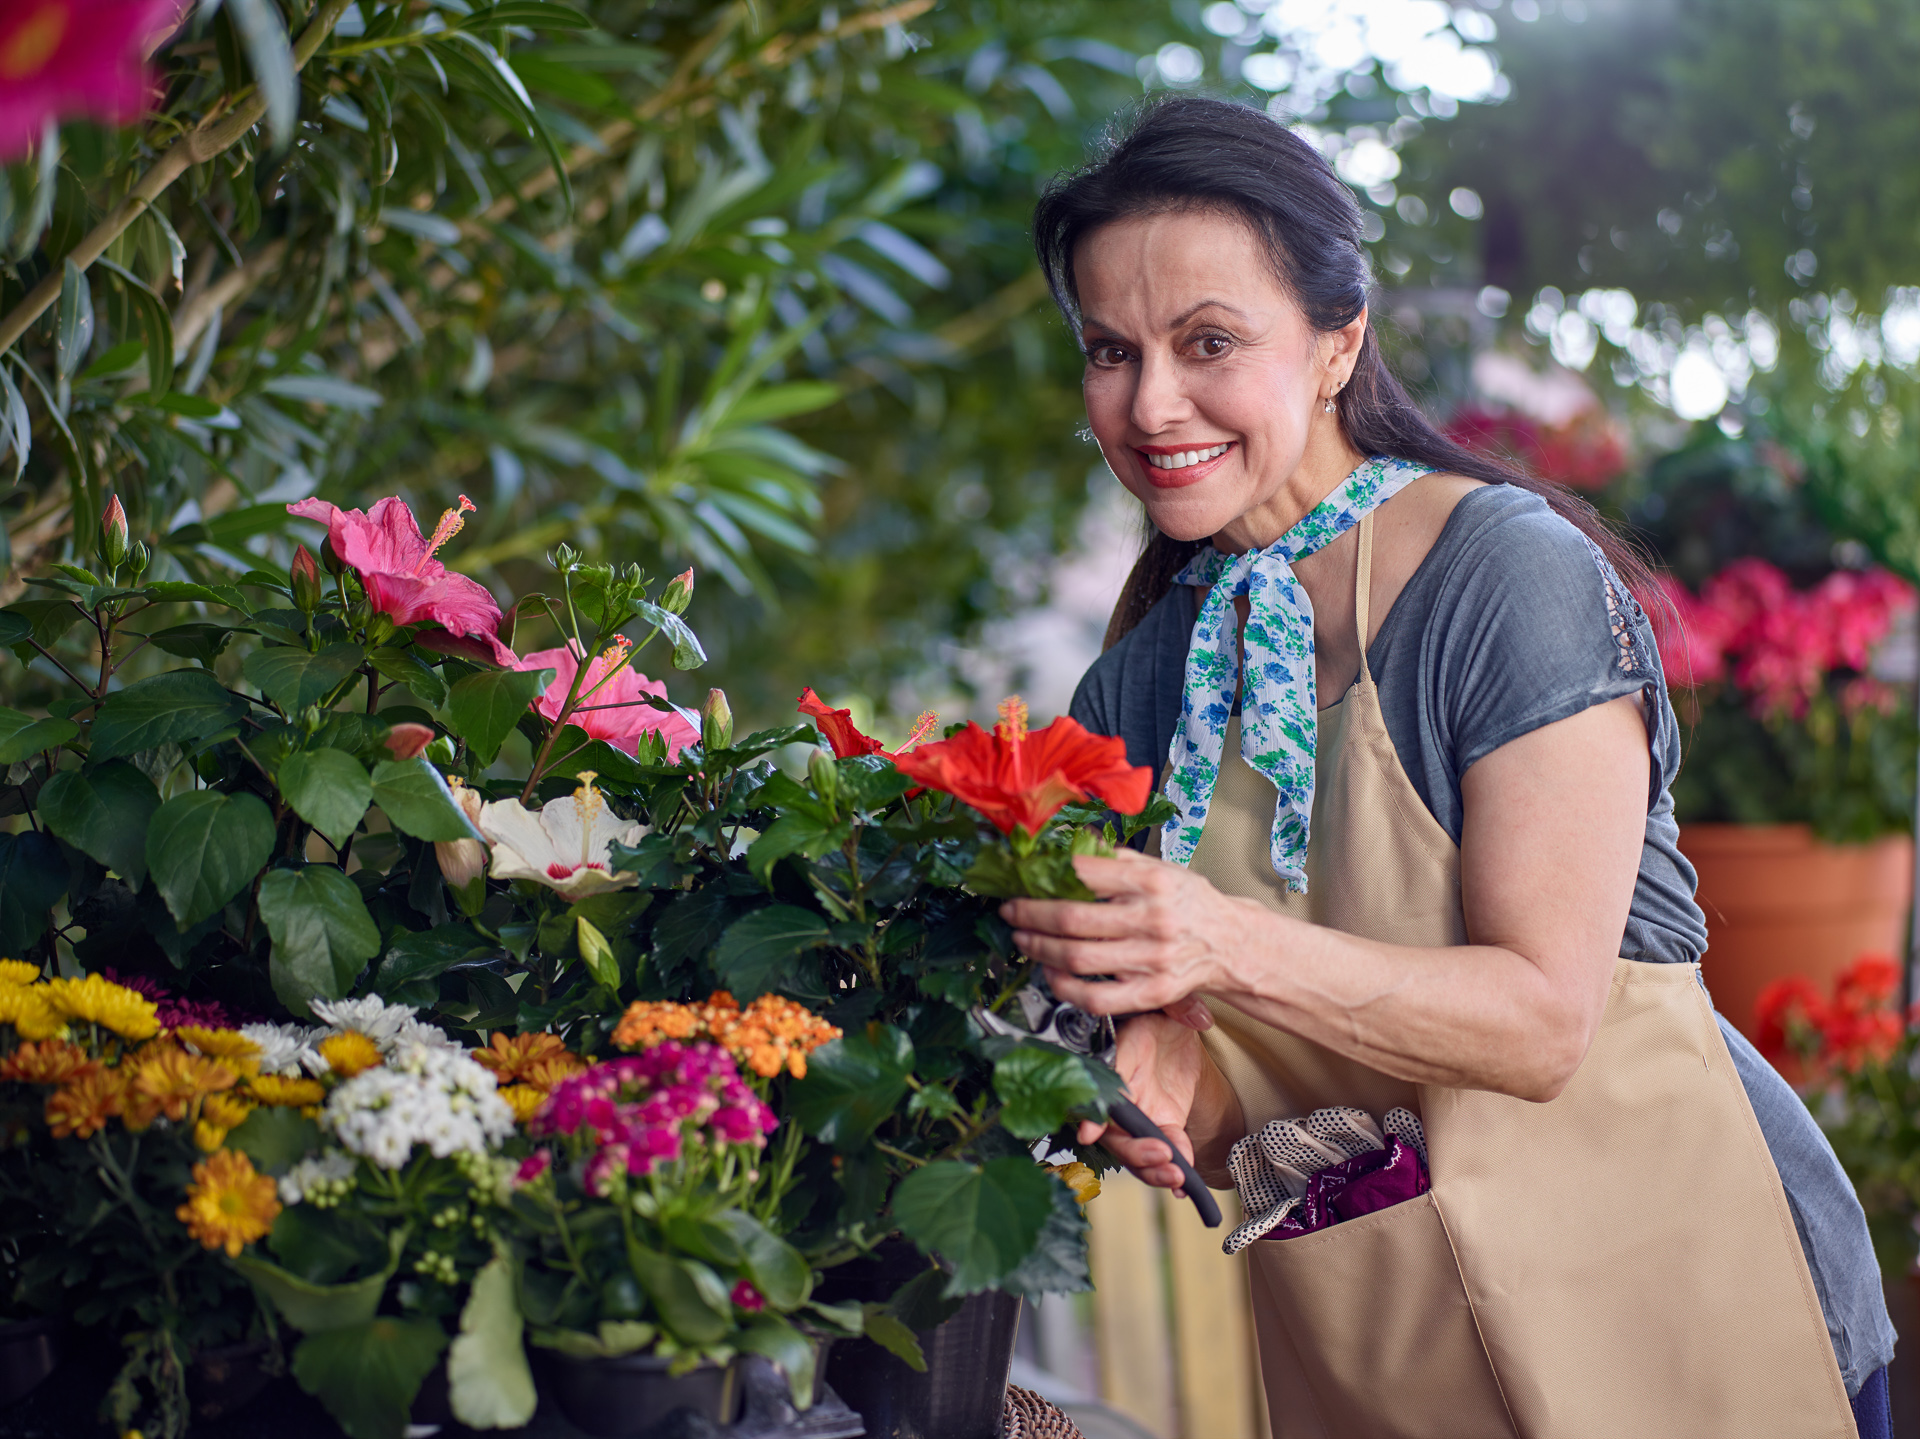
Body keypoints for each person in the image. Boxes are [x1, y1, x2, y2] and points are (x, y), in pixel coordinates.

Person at [1005, 95, 1894, 1438]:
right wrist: (1160, 1080)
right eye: (1109, 351)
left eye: (1208, 343)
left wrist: (1214, 945)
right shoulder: (1136, 681)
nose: (1149, 401)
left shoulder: (1502, 577)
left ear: (1335, 344)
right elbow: (1241, 1055)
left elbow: (1541, 1023)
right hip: (1393, 1345)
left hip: (1685, 1297)